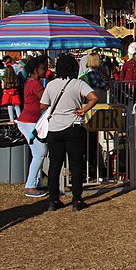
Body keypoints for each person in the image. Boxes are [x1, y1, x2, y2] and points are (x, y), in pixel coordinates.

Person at [41, 54, 99, 212]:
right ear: (74, 68)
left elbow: (43, 105)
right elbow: (94, 97)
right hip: (74, 126)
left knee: (55, 166)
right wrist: (83, 109)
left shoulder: (51, 84)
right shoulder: (77, 84)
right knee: (76, 165)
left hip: (55, 128)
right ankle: (76, 200)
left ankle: (53, 200)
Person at [16, 56, 49, 198]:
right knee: (40, 153)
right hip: (29, 122)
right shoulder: (35, 84)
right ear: (36, 70)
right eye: (43, 68)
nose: (45, 70)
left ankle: (36, 182)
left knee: (38, 153)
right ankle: (30, 185)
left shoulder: (31, 82)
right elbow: (45, 99)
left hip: (30, 121)